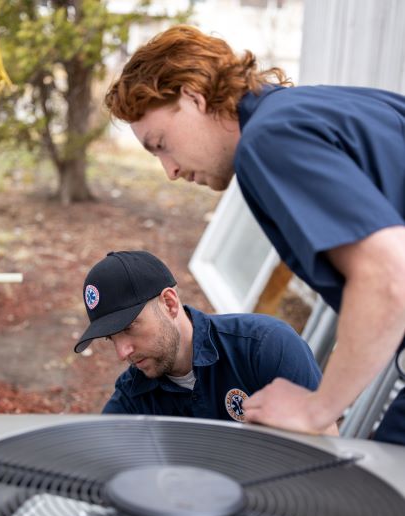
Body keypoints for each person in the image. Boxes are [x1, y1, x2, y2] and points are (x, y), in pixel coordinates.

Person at [103, 25, 405, 444]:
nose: (169, 171)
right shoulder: (310, 108)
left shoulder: (269, 139)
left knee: (378, 502)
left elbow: (388, 278)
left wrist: (317, 407)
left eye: (161, 144)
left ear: (193, 96)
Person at [74, 250, 330, 428]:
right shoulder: (133, 396)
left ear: (169, 303)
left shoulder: (265, 346)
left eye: (129, 327)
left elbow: (324, 447)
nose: (122, 353)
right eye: (111, 338)